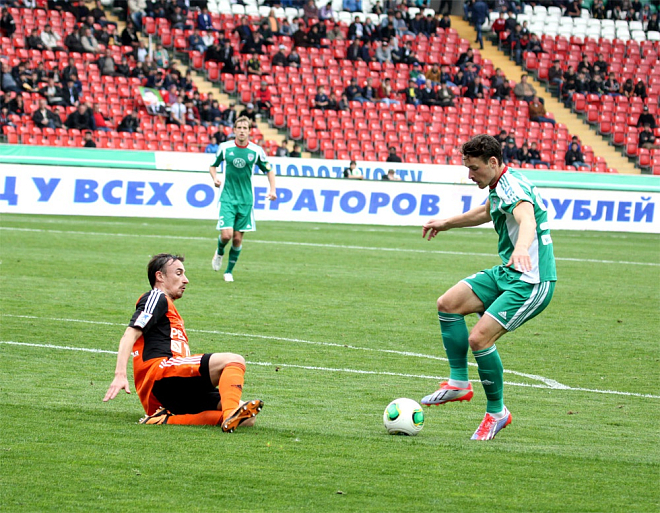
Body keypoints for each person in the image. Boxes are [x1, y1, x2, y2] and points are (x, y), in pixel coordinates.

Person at [420, 134, 556, 441]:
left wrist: (521, 248)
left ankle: (497, 413)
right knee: (448, 304)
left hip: (531, 281)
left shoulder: (513, 188)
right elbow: (486, 212)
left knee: (479, 339)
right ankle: (458, 384)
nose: (470, 175)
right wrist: (446, 223)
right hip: (508, 272)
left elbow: (528, 220)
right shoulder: (500, 184)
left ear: (493, 162)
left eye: (474, 169)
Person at [103, 253, 263, 430]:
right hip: (159, 376)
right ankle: (229, 415)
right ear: (160, 276)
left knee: (247, 417)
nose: (185, 280)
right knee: (234, 360)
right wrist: (120, 374)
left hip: (175, 388)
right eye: (178, 273)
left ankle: (163, 420)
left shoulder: (171, 311)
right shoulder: (156, 297)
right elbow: (129, 335)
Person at [209, 117, 276, 282]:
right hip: (227, 197)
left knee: (237, 238)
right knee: (226, 235)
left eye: (245, 128)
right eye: (239, 127)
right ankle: (220, 252)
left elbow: (269, 170)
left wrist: (272, 190)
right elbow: (213, 166)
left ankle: (229, 272)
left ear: (249, 131)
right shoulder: (225, 148)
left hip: (246, 200)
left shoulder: (256, 151)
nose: (241, 131)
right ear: (234, 130)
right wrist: (215, 178)